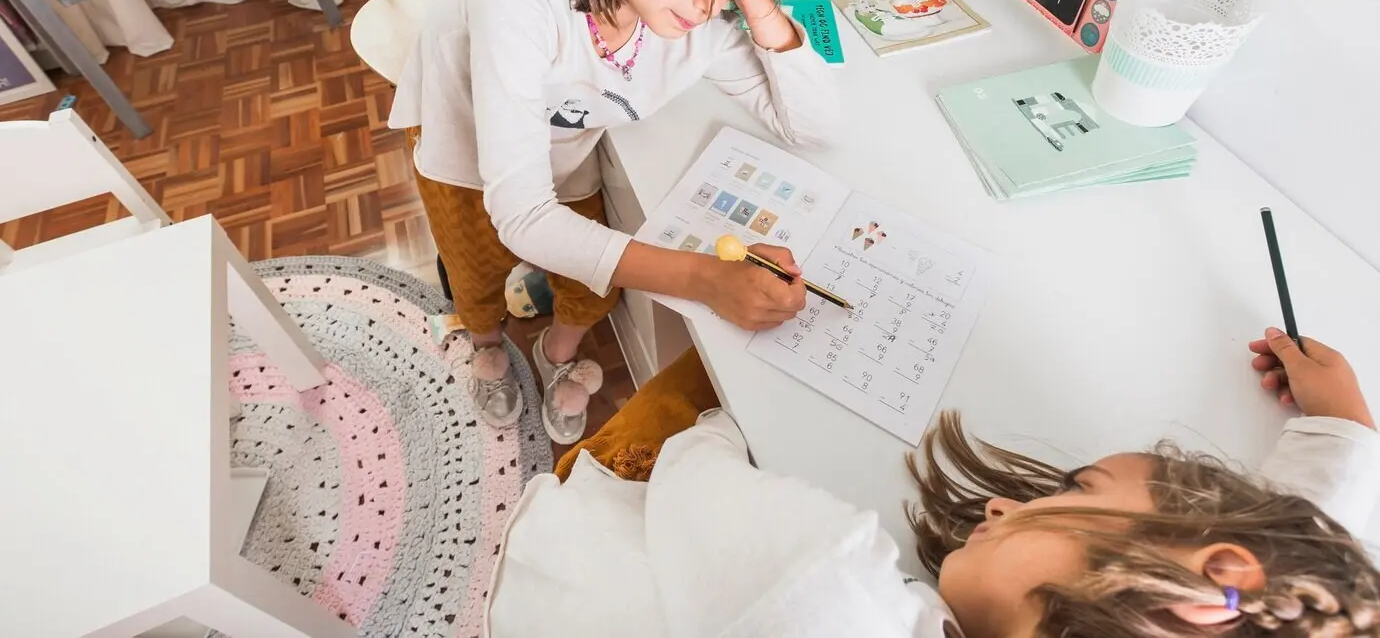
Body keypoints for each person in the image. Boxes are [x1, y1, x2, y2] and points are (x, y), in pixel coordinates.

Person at [388, 0, 838, 443]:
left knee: (589, 285)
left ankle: (557, 353)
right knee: (476, 274)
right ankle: (485, 345)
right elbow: (521, 215)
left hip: (563, 152)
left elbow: (813, 125)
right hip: (464, 154)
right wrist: (706, 281)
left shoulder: (701, 19)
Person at [484, 328, 1380, 637]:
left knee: (698, 391)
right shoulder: (1223, 615)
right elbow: (1280, 594)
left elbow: (692, 474)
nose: (1003, 500)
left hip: (529, 569)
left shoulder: (827, 584)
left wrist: (721, 423)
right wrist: (1340, 426)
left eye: (1075, 487)